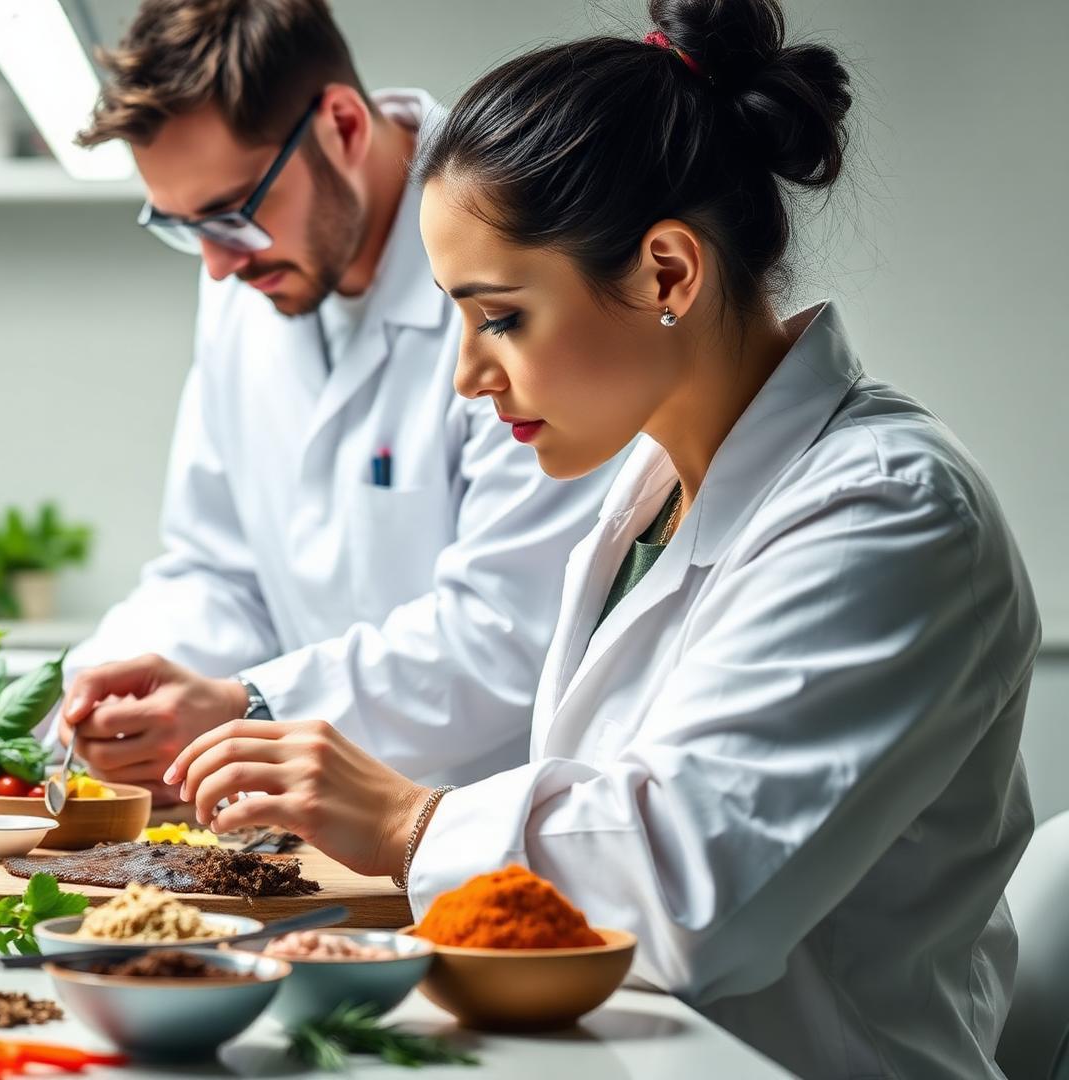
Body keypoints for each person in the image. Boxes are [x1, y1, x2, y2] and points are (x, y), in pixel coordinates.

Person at [163, 0, 1039, 1074]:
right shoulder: (653, 491)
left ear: (668, 273)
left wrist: (407, 821)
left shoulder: (889, 513)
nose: (468, 378)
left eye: (501, 318)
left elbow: (685, 893)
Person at [56, 0, 616, 799]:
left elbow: (511, 626)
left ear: (344, 126)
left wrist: (252, 707)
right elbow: (220, 569)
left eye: (233, 213)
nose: (217, 265)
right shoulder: (246, 275)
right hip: (318, 826)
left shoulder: (513, 245)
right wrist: (104, 692)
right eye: (184, 227)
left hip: (495, 821)